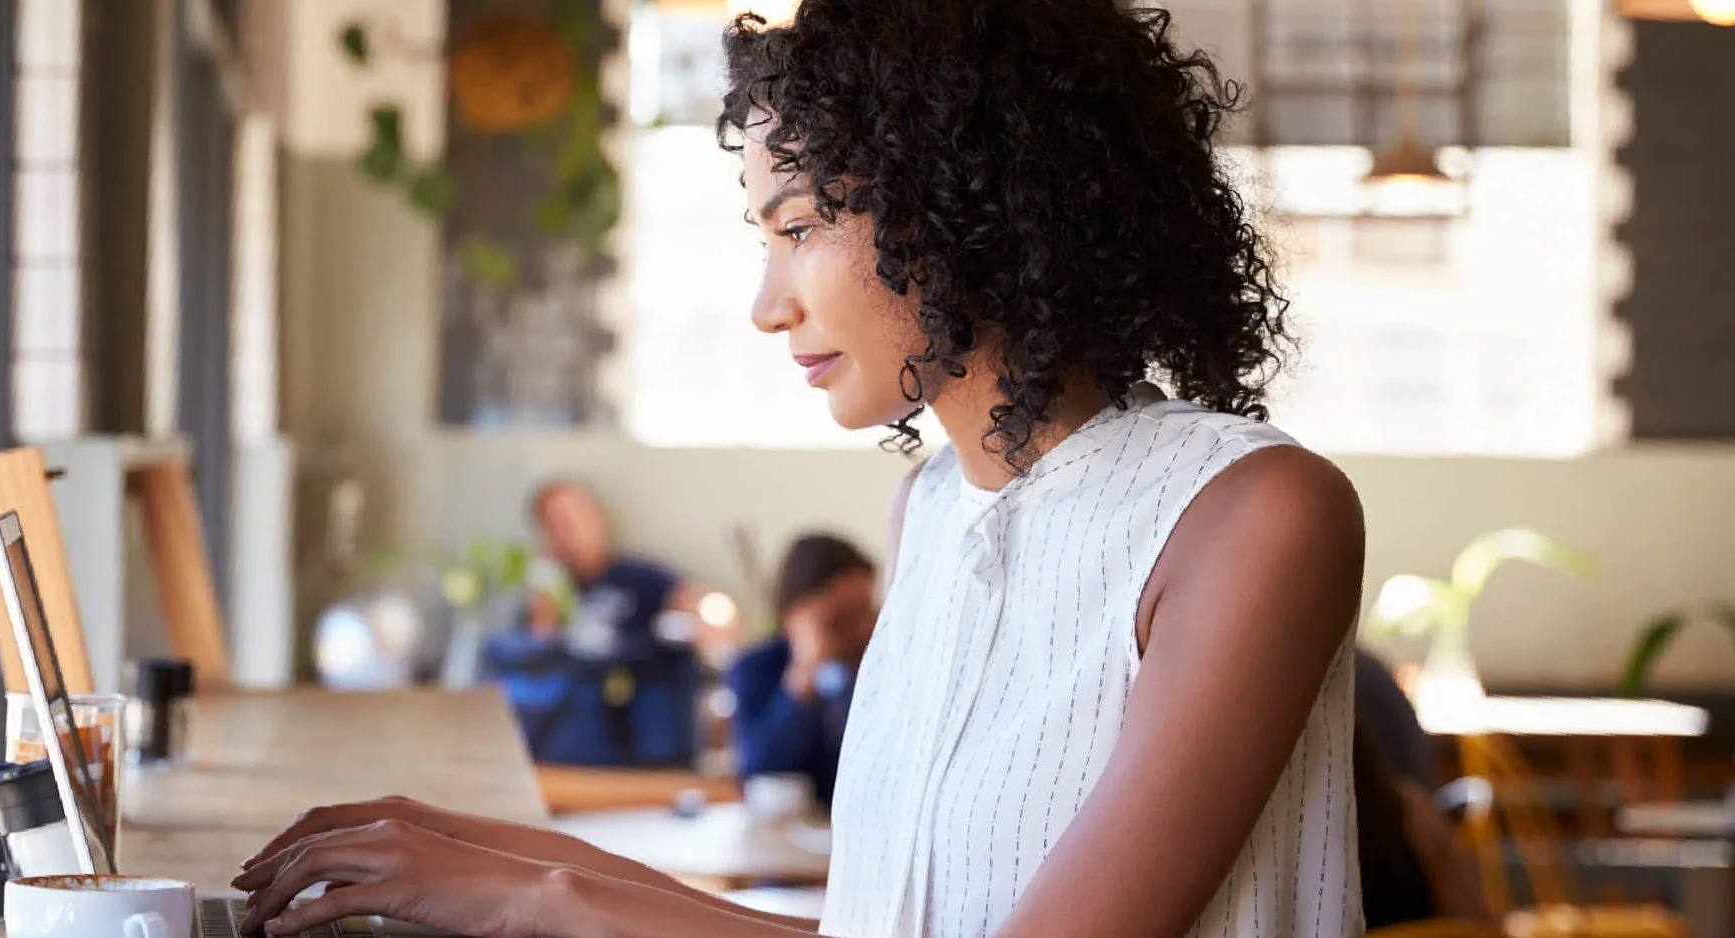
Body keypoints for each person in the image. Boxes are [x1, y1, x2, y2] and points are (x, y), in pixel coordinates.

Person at [229, 1, 1369, 936]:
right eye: (761, 239)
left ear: (968, 197)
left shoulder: (1252, 515)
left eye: (802, 224)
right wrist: (486, 849)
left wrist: (547, 894)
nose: (770, 305)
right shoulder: (931, 510)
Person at [484, 479, 707, 768]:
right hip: (574, 742)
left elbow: (697, 610)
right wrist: (544, 594)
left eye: (576, 516)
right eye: (556, 522)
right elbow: (535, 662)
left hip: (645, 729)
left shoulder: (642, 577)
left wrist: (700, 614)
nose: (570, 530)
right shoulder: (548, 592)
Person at [724, 534, 876, 803]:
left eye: (868, 611)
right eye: (845, 617)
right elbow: (760, 770)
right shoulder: (755, 668)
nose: (864, 628)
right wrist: (805, 672)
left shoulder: (879, 668)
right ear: (798, 615)